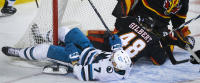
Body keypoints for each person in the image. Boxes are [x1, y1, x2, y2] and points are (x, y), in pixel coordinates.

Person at [2, 26, 132, 81]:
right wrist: (116, 46)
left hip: (76, 60)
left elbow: (81, 74)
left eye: (114, 59)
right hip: (89, 49)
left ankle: (20, 53)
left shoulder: (105, 71)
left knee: (45, 50)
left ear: (115, 66)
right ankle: (44, 36)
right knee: (67, 31)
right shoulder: (124, 63)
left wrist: (74, 60)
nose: (113, 56)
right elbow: (118, 52)